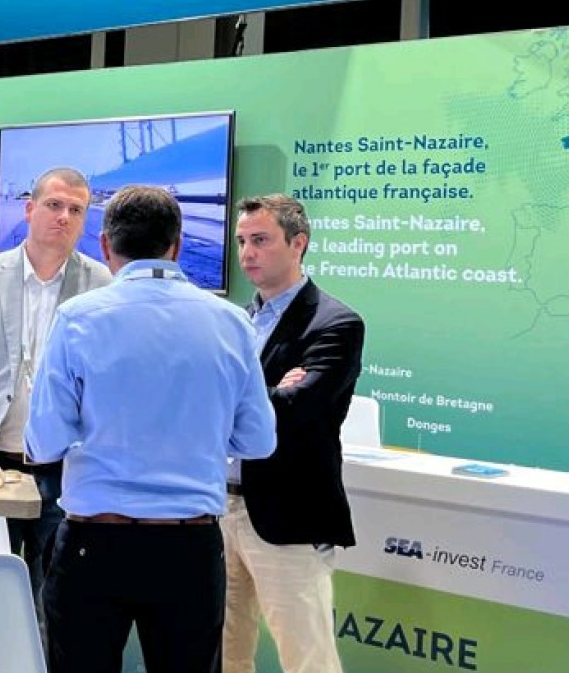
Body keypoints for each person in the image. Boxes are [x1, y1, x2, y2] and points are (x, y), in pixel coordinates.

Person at [26, 185, 277, 673]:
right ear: (176, 246)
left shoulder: (77, 318)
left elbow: (45, 443)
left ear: (105, 245)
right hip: (190, 547)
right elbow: (258, 441)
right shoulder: (231, 323)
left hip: (94, 542)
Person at [0, 167, 111, 598]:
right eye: (54, 205)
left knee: (56, 594)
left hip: (64, 466)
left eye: (76, 210)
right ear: (30, 209)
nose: (64, 217)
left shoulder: (100, 285)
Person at [223, 194, 364, 673]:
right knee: (223, 653)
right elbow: (220, 400)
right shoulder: (233, 321)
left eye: (261, 240)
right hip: (220, 506)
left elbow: (296, 409)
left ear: (297, 243)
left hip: (289, 514)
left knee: (307, 658)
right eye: (242, 241)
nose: (247, 253)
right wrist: (266, 392)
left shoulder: (335, 323)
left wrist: (238, 398)